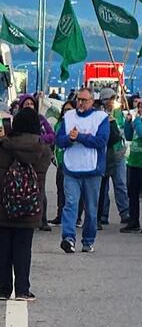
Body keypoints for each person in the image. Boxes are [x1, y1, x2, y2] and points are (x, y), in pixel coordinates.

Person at [0, 108, 53, 300]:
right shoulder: (43, 150)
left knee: (3, 248)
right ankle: (22, 289)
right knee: (23, 248)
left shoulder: (3, 146)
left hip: (3, 205)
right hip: (30, 205)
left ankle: (3, 289)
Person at [56, 89, 110, 253]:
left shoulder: (101, 118)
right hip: (72, 169)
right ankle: (68, 238)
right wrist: (69, 139)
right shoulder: (69, 116)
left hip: (92, 170)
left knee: (91, 210)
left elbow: (101, 141)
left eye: (84, 100)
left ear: (92, 101)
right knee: (70, 204)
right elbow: (59, 140)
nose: (80, 103)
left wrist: (80, 137)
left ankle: (88, 240)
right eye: (79, 99)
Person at [15, 95, 55, 232]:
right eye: (26, 103)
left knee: (40, 191)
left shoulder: (41, 120)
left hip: (39, 157)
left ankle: (42, 220)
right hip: (22, 158)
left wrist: (39, 139)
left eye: (31, 103)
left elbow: (51, 135)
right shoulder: (18, 119)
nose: (29, 106)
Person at [121, 95, 142, 234]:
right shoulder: (139, 119)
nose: (140, 108)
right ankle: (133, 220)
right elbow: (129, 136)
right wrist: (128, 123)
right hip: (134, 159)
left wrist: (136, 121)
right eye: (139, 105)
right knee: (132, 192)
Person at [96, 89, 129, 230]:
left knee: (120, 184)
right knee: (104, 186)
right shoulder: (99, 114)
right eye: (110, 98)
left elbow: (123, 131)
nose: (113, 101)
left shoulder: (119, 112)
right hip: (106, 154)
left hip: (118, 153)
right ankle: (103, 214)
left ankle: (125, 213)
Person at [48, 100, 77, 227]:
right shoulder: (59, 124)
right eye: (65, 110)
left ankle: (76, 217)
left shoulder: (77, 124)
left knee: (73, 193)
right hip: (60, 162)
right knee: (60, 190)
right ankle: (60, 215)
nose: (67, 112)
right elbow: (56, 140)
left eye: (70, 109)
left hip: (73, 163)